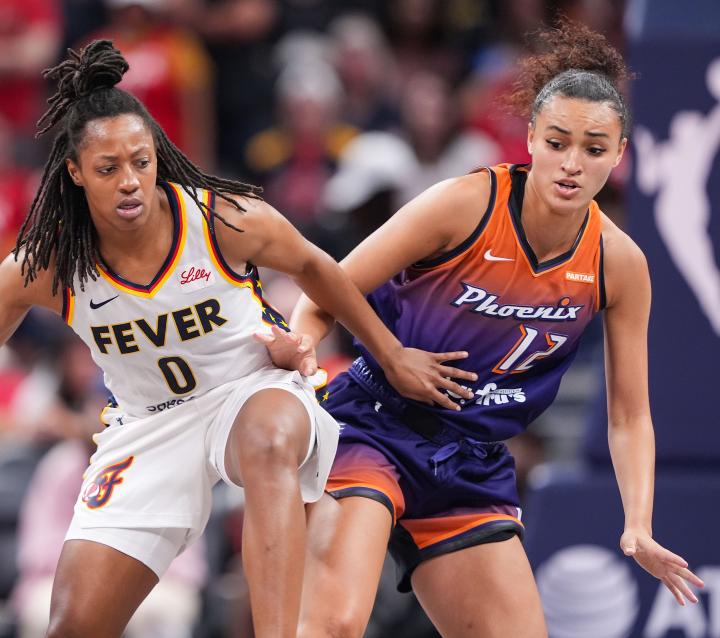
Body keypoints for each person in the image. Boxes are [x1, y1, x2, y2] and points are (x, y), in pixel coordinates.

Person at [0, 40, 474, 638]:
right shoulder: (45, 263)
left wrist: (390, 353)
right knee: (72, 626)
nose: (130, 180)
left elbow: (319, 268)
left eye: (142, 161)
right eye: (110, 166)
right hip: (147, 426)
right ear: (76, 173)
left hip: (251, 391)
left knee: (269, 437)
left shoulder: (223, 219)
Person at [260, 21, 706, 637]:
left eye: (595, 149)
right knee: (332, 624)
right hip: (371, 427)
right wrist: (305, 357)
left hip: (469, 461)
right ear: (530, 139)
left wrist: (638, 524)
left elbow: (630, 415)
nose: (572, 163)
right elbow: (327, 287)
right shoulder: (464, 205)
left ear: (621, 154)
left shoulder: (620, 262)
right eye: (558, 142)